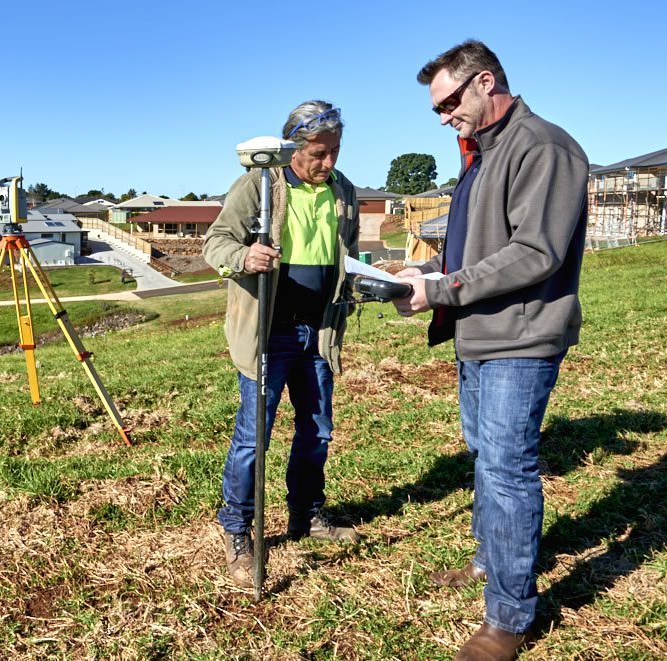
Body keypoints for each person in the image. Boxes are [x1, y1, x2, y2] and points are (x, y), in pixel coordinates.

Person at [394, 40, 589, 660]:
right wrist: (424, 274)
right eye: (436, 108)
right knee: (485, 457)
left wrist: (442, 289)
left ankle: (508, 617)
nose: (443, 116)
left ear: (485, 82)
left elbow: (535, 253)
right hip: (478, 333)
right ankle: (491, 560)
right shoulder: (482, 154)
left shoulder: (543, 146)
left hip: (520, 337)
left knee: (507, 469)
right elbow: (476, 249)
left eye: (448, 102)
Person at [203, 100, 362, 588]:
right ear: (294, 147)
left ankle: (305, 514)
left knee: (317, 431)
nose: (328, 162)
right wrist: (243, 257)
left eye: (335, 151)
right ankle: (236, 528)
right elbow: (215, 243)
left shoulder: (343, 191)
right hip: (269, 333)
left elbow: (348, 256)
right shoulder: (259, 185)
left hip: (320, 333)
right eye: (318, 153)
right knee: (255, 436)